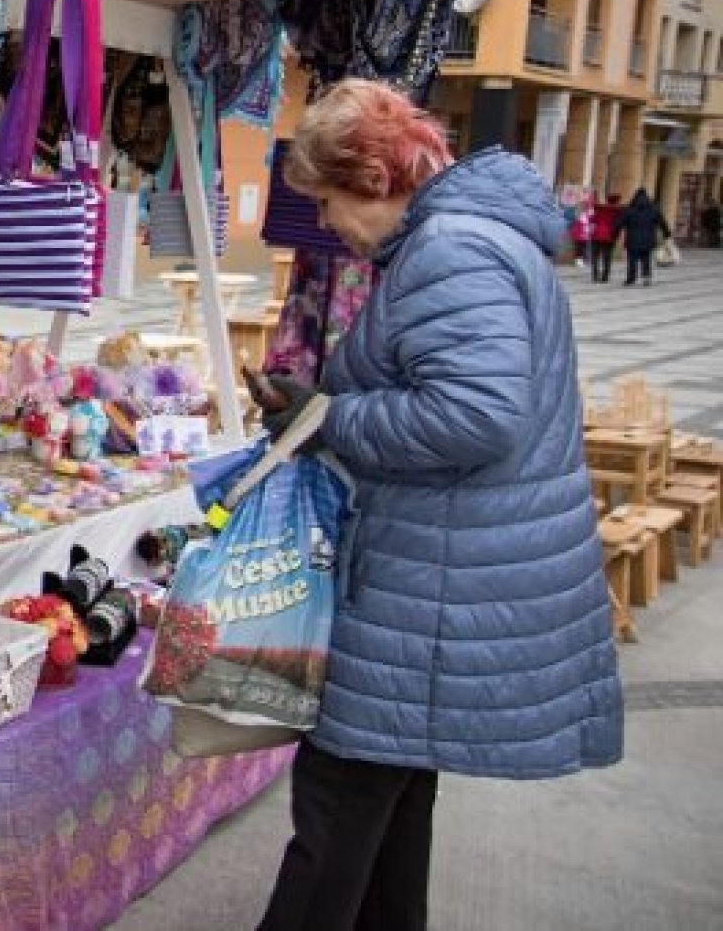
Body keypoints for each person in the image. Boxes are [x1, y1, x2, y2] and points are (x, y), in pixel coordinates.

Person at [245, 80, 621, 931]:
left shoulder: (451, 248)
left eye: (329, 201)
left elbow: (477, 414)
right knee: (387, 806)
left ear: (376, 178)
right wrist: (321, 406)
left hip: (432, 584)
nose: (328, 224)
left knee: (339, 805)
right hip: (442, 572)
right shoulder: (467, 239)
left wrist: (329, 417)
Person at [619, 187, 672, 286]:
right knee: (646, 258)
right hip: (648, 239)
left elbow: (620, 222)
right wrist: (667, 234)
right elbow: (662, 223)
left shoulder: (629, 210)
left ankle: (631, 278)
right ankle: (646, 277)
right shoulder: (654, 209)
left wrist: (615, 232)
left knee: (632, 259)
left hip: (632, 239)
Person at [588, 190, 621, 282]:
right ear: (616, 201)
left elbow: (592, 219)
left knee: (595, 256)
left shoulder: (599, 208)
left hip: (596, 235)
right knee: (607, 257)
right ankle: (605, 277)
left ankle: (595, 276)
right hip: (609, 236)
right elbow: (618, 224)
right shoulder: (617, 211)